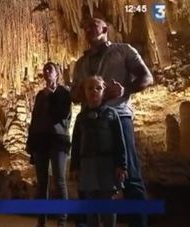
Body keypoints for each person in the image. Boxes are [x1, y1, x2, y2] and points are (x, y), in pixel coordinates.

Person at [71, 17, 154, 227]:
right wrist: (77, 93)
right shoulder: (81, 63)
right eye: (86, 26)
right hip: (88, 122)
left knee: (130, 176)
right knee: (87, 177)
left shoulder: (123, 51)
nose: (88, 28)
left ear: (105, 28)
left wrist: (126, 90)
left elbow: (146, 77)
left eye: (93, 25)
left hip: (117, 116)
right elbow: (74, 92)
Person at [70, 76, 127, 227]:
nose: (94, 91)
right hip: (88, 166)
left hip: (107, 165)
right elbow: (76, 144)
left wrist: (121, 165)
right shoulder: (81, 118)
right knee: (91, 207)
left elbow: (119, 142)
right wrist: (75, 167)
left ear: (103, 92)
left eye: (98, 88)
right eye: (90, 88)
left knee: (108, 206)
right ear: (84, 92)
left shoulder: (112, 114)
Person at [26, 62, 72, 227]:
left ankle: (62, 220)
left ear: (57, 73)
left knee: (59, 180)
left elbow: (62, 114)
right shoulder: (40, 95)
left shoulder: (64, 92)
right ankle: (41, 221)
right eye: (44, 69)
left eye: (49, 69)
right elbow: (35, 118)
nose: (46, 71)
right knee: (42, 183)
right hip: (40, 140)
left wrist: (50, 96)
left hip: (58, 139)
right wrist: (30, 143)